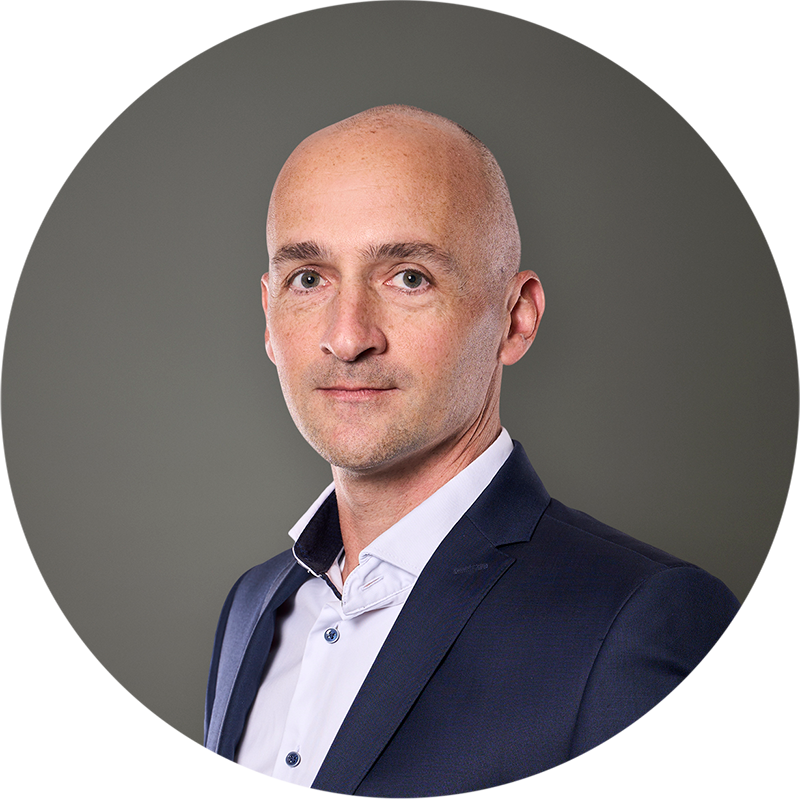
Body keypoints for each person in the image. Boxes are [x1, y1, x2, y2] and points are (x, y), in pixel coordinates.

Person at [204, 105, 739, 799]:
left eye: (408, 277)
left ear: (516, 319)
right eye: (309, 278)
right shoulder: (253, 608)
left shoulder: (635, 622)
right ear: (269, 318)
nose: (348, 336)